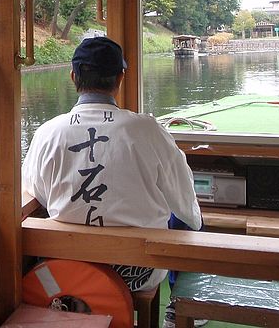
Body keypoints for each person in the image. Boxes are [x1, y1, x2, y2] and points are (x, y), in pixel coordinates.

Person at [21, 36, 203, 327]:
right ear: (120, 76)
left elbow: (38, 195)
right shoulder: (146, 129)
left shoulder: (47, 133)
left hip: (67, 268)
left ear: (73, 77)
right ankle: (179, 306)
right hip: (135, 272)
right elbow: (183, 197)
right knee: (185, 217)